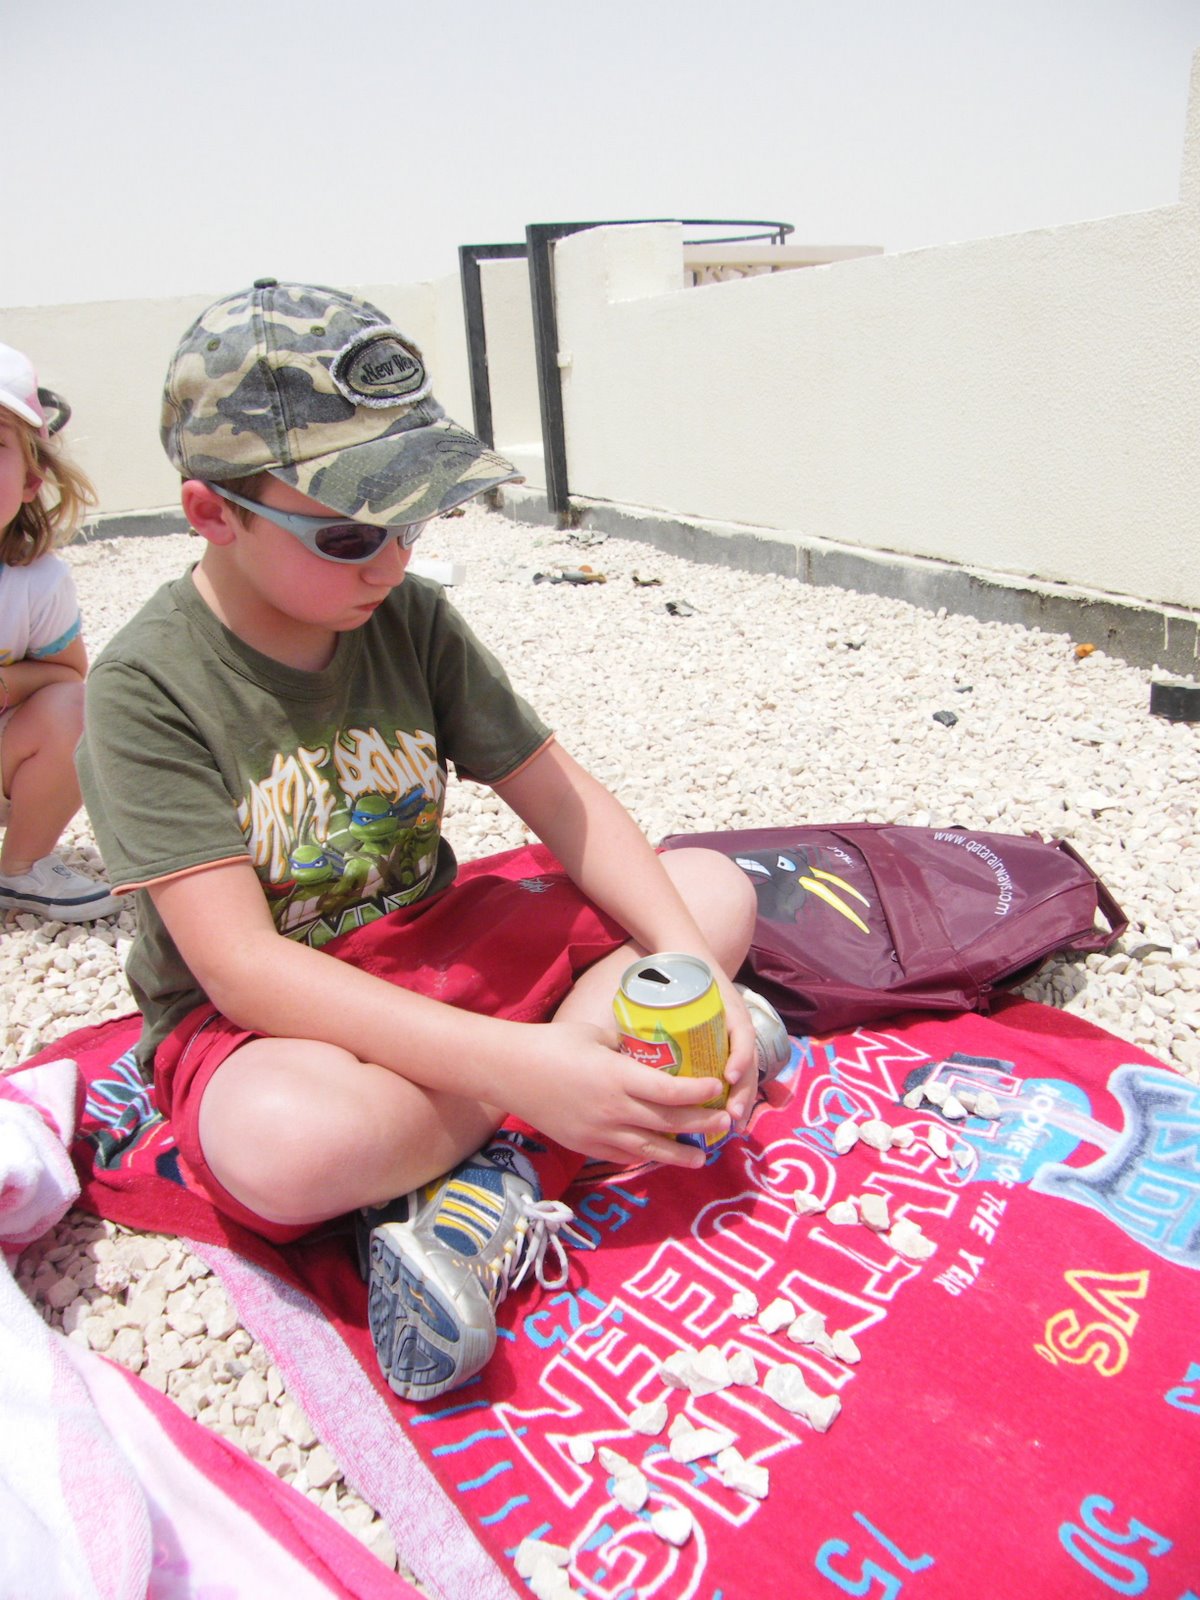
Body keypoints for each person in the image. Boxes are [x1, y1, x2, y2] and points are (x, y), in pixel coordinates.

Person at [78, 280, 789, 1402]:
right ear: (213, 512)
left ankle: (497, 1155)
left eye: (411, 522)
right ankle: (563, 1107)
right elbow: (245, 968)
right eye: (349, 531)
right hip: (281, 1020)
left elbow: (561, 796)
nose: (392, 563)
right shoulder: (144, 688)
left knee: (708, 895)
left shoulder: (405, 618)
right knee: (287, 1144)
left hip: (436, 947)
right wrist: (526, 1067)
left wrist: (688, 966)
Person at [0, 344, 119, 922]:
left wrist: (8, 684)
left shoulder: (35, 582)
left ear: (31, 478)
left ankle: (21, 865)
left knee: (79, 705)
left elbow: (68, 674)